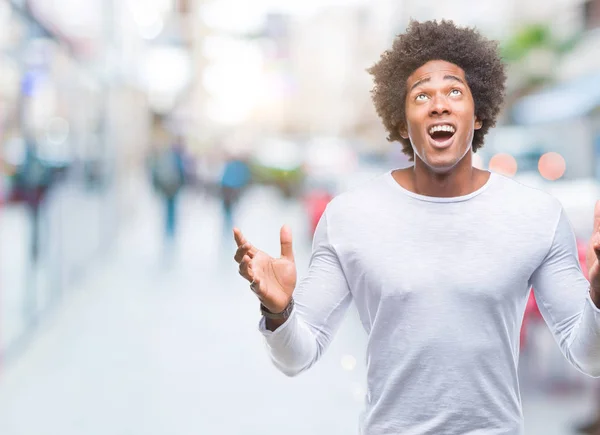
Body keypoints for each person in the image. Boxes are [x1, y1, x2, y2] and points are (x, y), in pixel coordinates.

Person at [233, 19, 600, 434]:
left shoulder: (537, 215)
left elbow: (589, 356)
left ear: (477, 116)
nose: (438, 104)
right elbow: (296, 357)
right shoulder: (349, 218)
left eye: (454, 92)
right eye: (421, 94)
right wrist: (278, 312)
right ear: (401, 121)